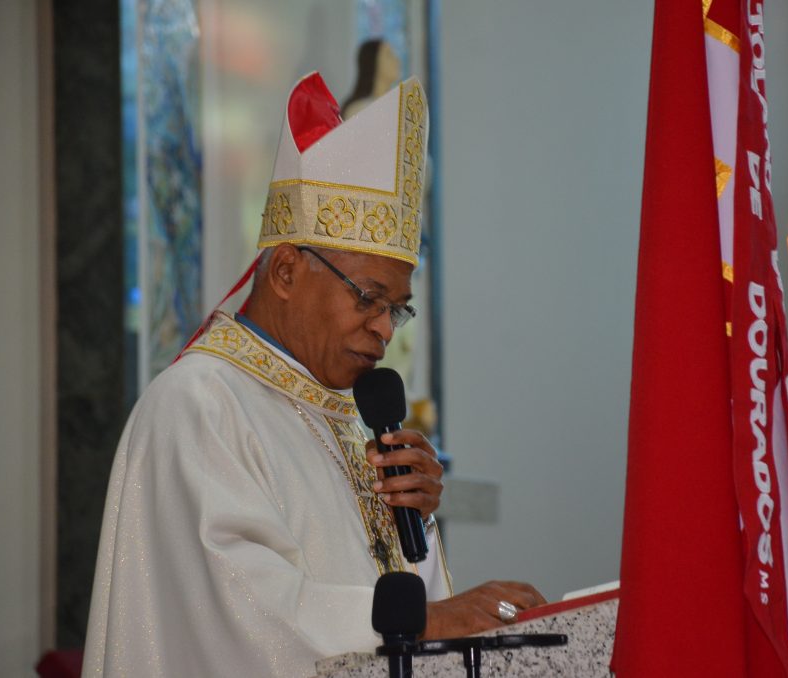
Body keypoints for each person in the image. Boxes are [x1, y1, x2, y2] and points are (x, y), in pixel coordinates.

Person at [83, 72, 545, 677]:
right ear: (286, 271)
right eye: (368, 298)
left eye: (397, 309)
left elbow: (388, 589)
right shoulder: (198, 405)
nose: (385, 330)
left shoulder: (352, 415)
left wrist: (417, 523)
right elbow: (239, 615)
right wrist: (432, 620)